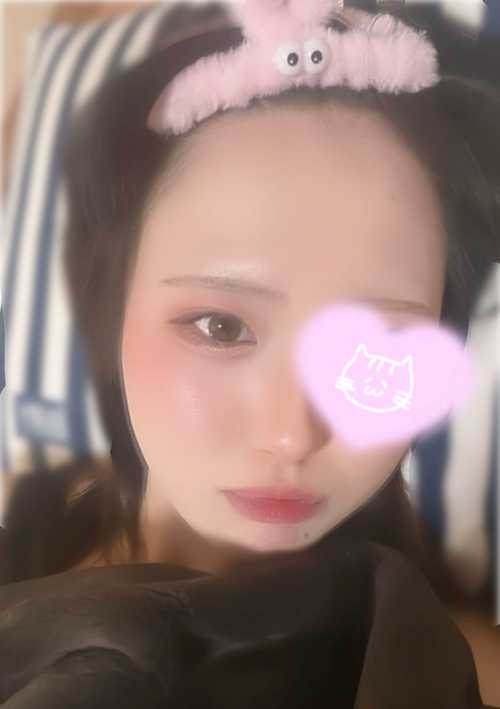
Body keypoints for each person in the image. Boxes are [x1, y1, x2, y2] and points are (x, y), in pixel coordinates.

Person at [0, 3, 499, 706]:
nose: (292, 435)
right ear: (112, 311)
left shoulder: (449, 669)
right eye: (221, 326)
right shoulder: (29, 528)